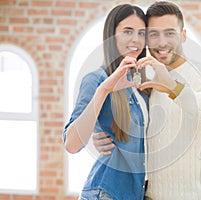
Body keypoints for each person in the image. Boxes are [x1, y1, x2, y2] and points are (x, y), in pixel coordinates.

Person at [94, 1, 201, 200]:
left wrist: (175, 88)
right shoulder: (146, 76)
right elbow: (144, 134)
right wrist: (102, 136)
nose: (162, 42)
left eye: (170, 33)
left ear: (183, 35)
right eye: (154, 34)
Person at [62, 4, 150, 200]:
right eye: (127, 31)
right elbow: (72, 144)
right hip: (106, 192)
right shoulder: (96, 80)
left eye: (141, 33)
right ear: (112, 34)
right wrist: (105, 90)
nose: (136, 39)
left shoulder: (143, 85)